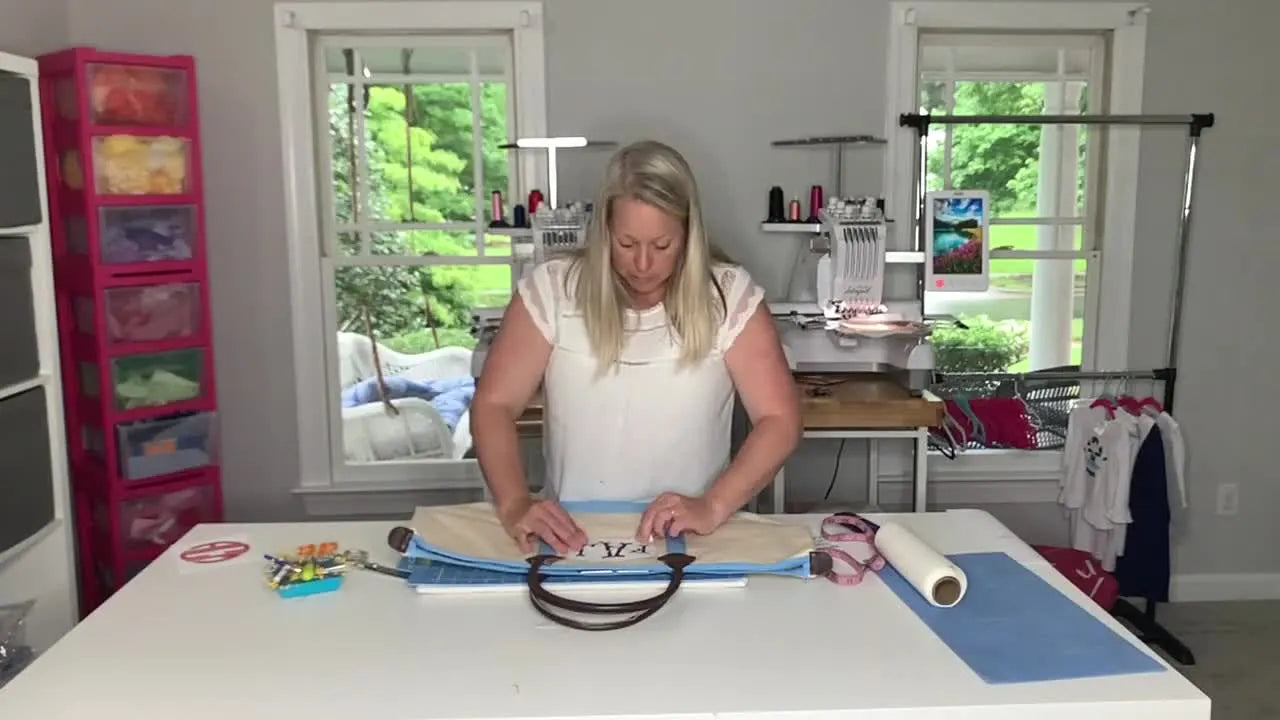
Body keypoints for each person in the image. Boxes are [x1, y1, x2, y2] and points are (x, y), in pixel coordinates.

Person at [470, 140, 801, 554]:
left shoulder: (730, 297)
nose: (643, 264)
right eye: (627, 244)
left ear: (688, 233)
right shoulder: (552, 291)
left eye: (662, 246)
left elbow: (779, 419)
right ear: (604, 230)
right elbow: (494, 404)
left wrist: (713, 505)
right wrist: (515, 503)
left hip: (692, 542)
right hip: (573, 537)